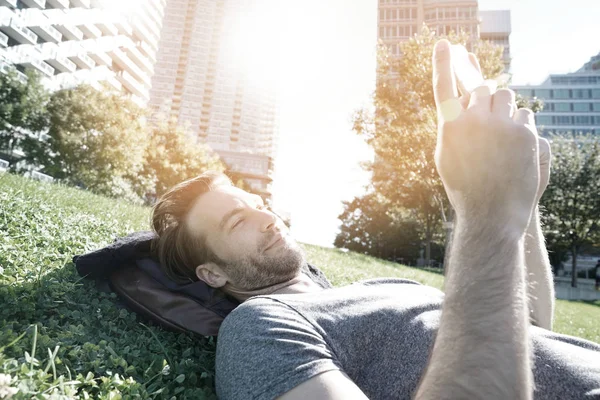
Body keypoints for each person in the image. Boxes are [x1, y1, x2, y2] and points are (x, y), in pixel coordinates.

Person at [151, 40, 600, 399]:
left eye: (257, 202)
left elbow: (524, 334)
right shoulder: (261, 327)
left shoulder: (386, 289)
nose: (266, 218)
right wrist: (488, 216)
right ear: (210, 273)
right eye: (237, 221)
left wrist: (524, 206)